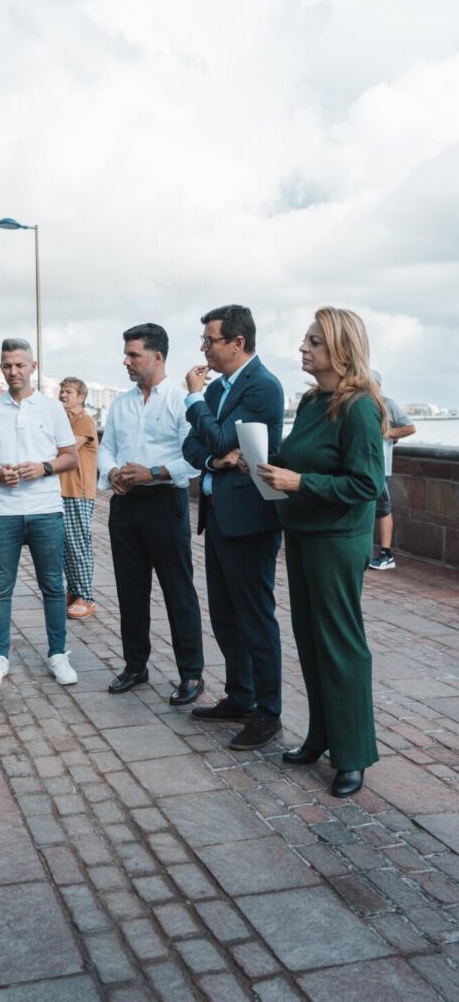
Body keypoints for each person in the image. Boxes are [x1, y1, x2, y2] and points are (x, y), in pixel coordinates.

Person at [256, 307, 386, 798]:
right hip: (304, 532)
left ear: (342, 350)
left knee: (341, 644)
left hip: (337, 539)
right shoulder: (313, 401)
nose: (303, 348)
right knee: (309, 640)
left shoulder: (359, 407)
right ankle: (320, 737)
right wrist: (266, 464)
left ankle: (352, 755)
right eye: (305, 340)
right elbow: (297, 459)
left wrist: (299, 481)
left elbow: (367, 484)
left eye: (314, 341)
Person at [182, 305, 285, 750]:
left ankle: (268, 712)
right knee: (224, 614)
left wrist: (192, 400)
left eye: (209, 340)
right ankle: (240, 696)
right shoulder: (221, 389)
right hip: (219, 514)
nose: (203, 348)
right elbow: (194, 443)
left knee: (255, 617)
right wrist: (213, 458)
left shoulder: (262, 386)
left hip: (251, 520)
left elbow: (223, 437)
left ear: (237, 343)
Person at [98, 323, 204, 707]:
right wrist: (112, 473)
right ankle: (135, 665)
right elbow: (106, 447)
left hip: (165, 504)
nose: (126, 361)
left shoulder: (180, 401)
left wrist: (153, 472)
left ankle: (191, 673)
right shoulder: (121, 403)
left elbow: (193, 459)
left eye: (133, 354)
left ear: (157, 357)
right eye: (126, 354)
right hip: (125, 505)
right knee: (131, 590)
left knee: (178, 591)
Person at [0, 338, 78, 688]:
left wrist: (44, 468)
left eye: (19, 364)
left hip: (46, 509)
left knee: (52, 587)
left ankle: (58, 654)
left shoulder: (51, 408)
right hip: (2, 511)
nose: (13, 371)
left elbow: (70, 456)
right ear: (1, 368)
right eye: (6, 365)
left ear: (33, 367)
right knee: (0, 588)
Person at [58, 377, 98, 619]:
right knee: (65, 546)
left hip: (78, 492)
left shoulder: (84, 421)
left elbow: (67, 448)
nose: (63, 395)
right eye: (61, 391)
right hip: (62, 491)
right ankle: (74, 592)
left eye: (69, 392)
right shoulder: (65, 420)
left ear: (81, 397)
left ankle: (86, 596)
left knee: (79, 544)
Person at [368, 370, 416, 570]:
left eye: (367, 382)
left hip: (381, 469)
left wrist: (389, 432)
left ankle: (386, 555)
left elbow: (410, 427)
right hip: (363, 466)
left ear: (378, 384)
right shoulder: (360, 403)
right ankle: (365, 552)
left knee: (383, 510)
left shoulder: (388, 403)